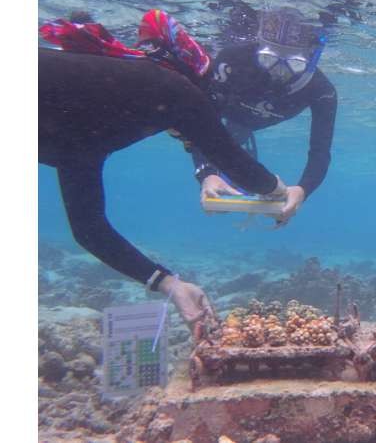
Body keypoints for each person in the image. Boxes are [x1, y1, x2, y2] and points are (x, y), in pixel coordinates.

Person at [39, 19, 289, 328]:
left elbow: (89, 231)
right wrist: (283, 193)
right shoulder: (171, 85)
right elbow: (234, 160)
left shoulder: (83, 136)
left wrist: (171, 285)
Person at [190, 7, 337, 227]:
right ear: (259, 47)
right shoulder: (232, 59)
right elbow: (202, 121)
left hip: (242, 125)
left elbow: (320, 151)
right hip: (229, 118)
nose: (279, 72)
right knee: (227, 132)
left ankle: (238, 138)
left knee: (237, 135)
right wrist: (207, 174)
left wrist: (303, 190)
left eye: (295, 64)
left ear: (311, 57)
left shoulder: (322, 91)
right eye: (269, 59)